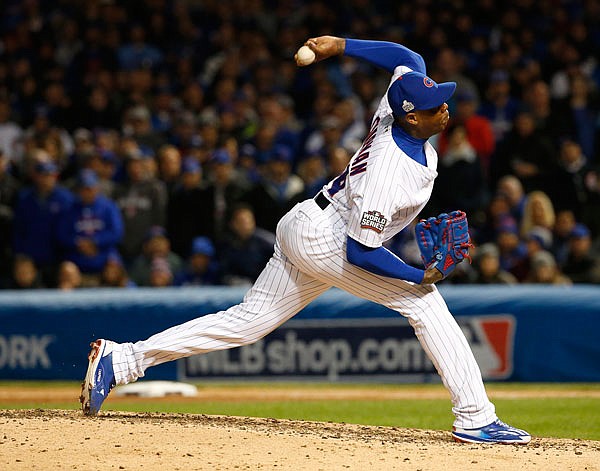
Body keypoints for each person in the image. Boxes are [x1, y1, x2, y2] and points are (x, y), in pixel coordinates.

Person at [80, 36, 530, 445]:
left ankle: (121, 361)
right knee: (423, 301)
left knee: (249, 321)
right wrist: (418, 274)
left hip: (307, 221)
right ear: (411, 114)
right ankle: (474, 416)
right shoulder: (391, 170)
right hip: (328, 238)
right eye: (435, 105)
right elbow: (360, 251)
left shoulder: (397, 107)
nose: (445, 108)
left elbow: (406, 57)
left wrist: (340, 45)